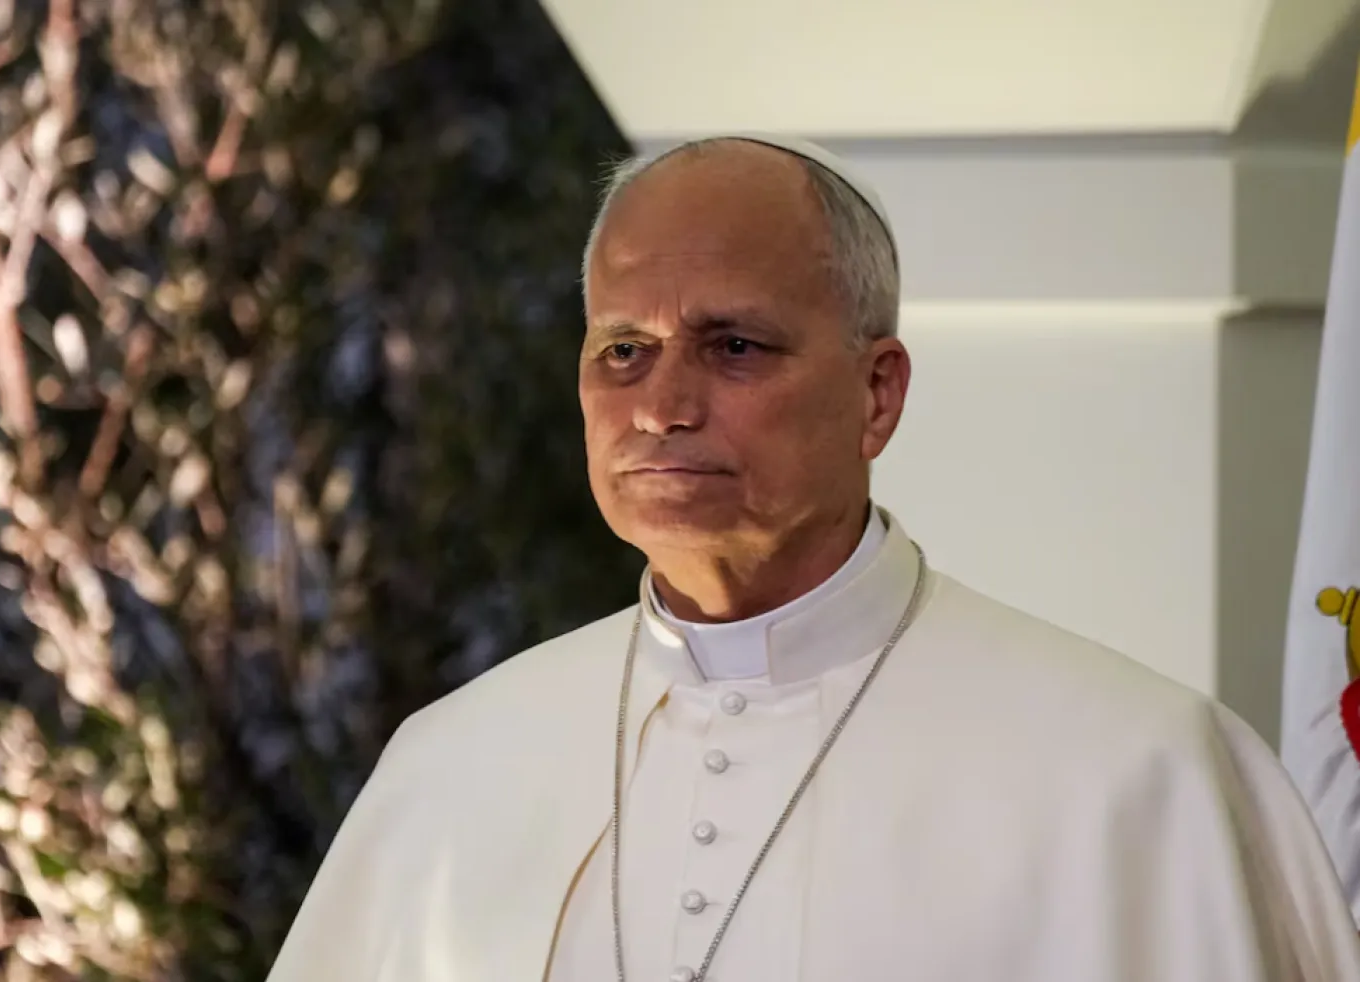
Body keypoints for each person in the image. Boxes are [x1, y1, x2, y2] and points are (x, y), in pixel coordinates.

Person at [262, 134, 1360, 982]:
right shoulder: (452, 766)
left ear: (876, 393)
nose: (663, 408)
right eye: (624, 352)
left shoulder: (1137, 775)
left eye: (734, 346)